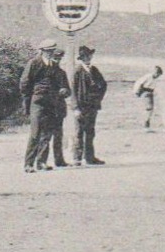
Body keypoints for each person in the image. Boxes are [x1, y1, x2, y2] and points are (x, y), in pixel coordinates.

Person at [20, 41, 70, 173]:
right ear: (41, 50)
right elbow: (24, 83)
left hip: (51, 104)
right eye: (48, 51)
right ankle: (28, 164)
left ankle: (41, 162)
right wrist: (29, 100)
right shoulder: (34, 63)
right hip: (37, 102)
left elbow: (60, 85)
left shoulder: (54, 66)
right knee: (35, 133)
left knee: (47, 134)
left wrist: (63, 90)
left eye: (52, 51)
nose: (50, 53)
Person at [72, 44, 108, 165]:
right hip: (81, 107)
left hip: (92, 106)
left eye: (89, 56)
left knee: (90, 132)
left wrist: (98, 98)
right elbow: (73, 91)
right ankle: (77, 158)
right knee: (79, 132)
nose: (88, 59)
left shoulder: (94, 70)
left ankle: (89, 157)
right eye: (85, 57)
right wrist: (76, 108)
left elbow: (103, 85)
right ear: (81, 58)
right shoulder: (77, 71)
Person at [134, 65, 165, 131]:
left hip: (150, 92)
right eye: (158, 74)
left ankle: (147, 123)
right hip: (145, 92)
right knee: (149, 108)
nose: (158, 76)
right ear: (155, 72)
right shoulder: (148, 77)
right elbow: (139, 83)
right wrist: (137, 92)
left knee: (150, 109)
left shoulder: (154, 78)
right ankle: (146, 125)